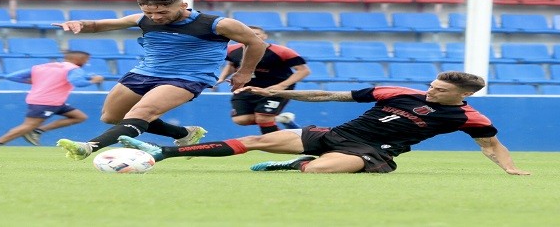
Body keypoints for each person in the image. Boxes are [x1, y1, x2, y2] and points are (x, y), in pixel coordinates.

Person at [118, 71, 531, 175]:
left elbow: (490, 146)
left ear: (462, 96)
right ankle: (164, 151)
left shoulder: (469, 115)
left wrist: (509, 166)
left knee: (318, 171)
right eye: (432, 84)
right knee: (258, 139)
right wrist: (276, 94)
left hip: (371, 152)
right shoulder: (395, 91)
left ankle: (294, 166)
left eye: (439, 90)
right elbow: (328, 95)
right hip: (338, 134)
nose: (430, 91)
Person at [54, 0, 267, 160]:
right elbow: (99, 26)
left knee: (141, 112)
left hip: (187, 77)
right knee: (111, 117)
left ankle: (89, 147)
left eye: (162, 13)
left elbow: (255, 43)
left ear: (183, 5)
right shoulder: (142, 19)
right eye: (149, 13)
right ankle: (184, 134)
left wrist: (244, 72)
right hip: (144, 73)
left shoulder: (218, 24)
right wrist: (80, 24)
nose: (155, 18)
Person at [0, 51, 104, 146]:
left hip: (53, 102)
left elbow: (11, 76)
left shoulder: (43, 67)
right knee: (28, 125)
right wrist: (94, 80)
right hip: (47, 102)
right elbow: (78, 82)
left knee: (79, 117)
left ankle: (38, 131)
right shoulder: (74, 69)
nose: (87, 63)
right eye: (86, 60)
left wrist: (30, 81)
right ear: (79, 60)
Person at [216, 26, 310, 134]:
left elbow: (303, 71)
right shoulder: (232, 50)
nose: (253, 36)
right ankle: (284, 120)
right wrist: (222, 78)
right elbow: (231, 64)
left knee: (263, 118)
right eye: (249, 33)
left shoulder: (282, 51)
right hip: (247, 88)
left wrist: (282, 86)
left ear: (265, 36)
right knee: (241, 120)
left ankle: (276, 144)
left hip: (274, 89)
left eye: (257, 34)